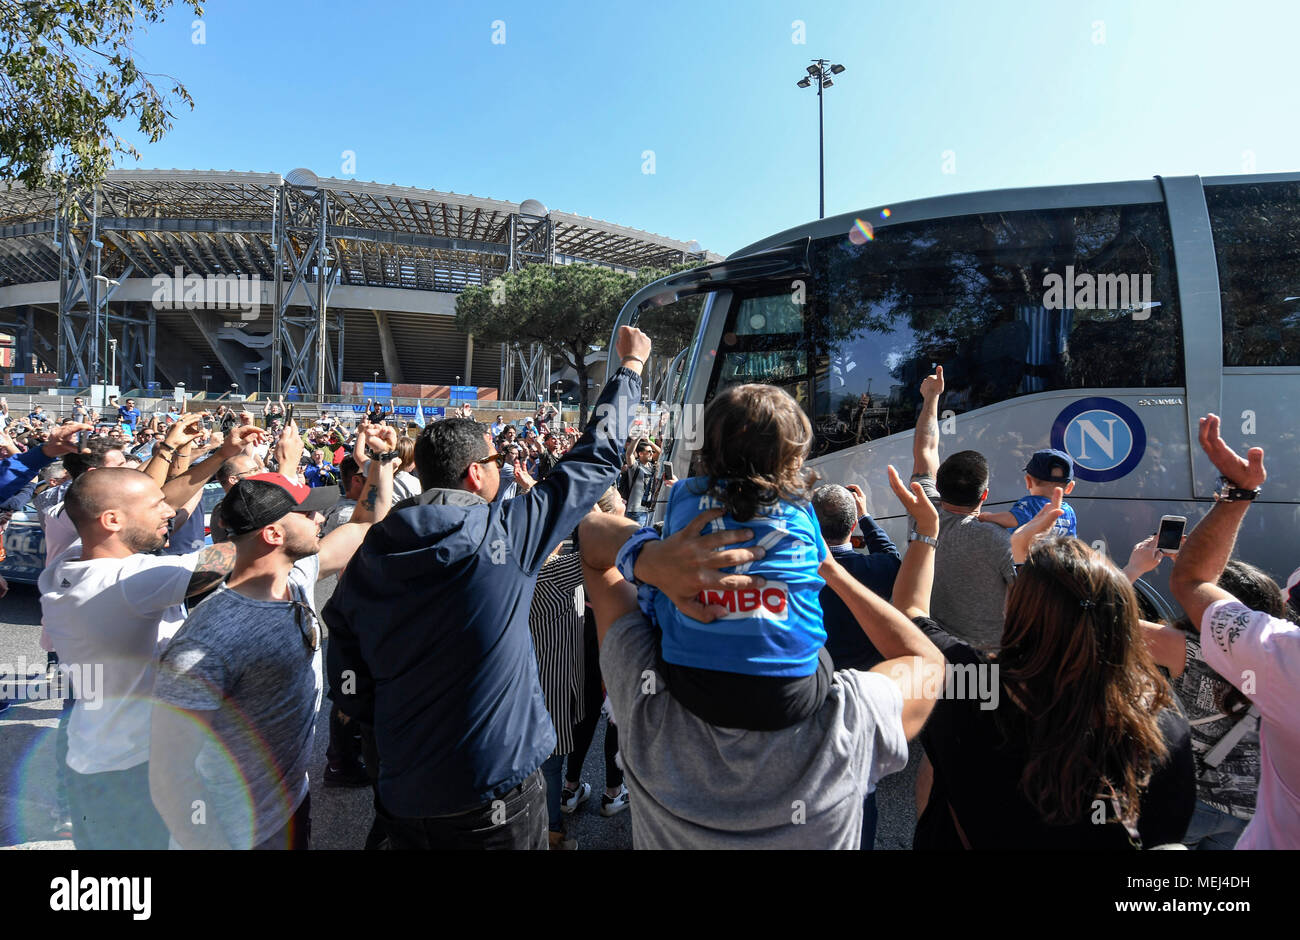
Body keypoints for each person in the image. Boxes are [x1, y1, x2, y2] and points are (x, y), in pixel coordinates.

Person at [323, 326, 652, 850]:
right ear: (476, 474)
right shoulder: (506, 532)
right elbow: (595, 457)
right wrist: (630, 369)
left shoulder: (374, 552)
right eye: (496, 461)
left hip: (403, 791)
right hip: (493, 793)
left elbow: (344, 662)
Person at [576, 500, 941, 848]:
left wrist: (650, 555)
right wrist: (832, 570)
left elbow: (592, 533)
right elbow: (927, 662)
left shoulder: (645, 702)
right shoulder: (849, 720)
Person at [889, 467, 1195, 849]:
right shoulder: (1159, 717)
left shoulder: (972, 685)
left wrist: (926, 532)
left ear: (1014, 612)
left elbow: (908, 614)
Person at [149, 425, 396, 850]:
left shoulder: (296, 574)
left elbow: (364, 523)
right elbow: (169, 769)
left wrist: (380, 462)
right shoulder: (207, 638)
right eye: (305, 513)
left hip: (290, 804)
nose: (318, 517)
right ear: (272, 535)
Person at [38, 424, 265, 849]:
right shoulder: (129, 580)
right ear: (112, 521)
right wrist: (269, 507)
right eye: (156, 507)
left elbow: (155, 501)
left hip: (96, 758)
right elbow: (223, 559)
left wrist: (218, 456)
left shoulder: (71, 562)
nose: (170, 513)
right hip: (132, 772)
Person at [649, 384, 832, 730]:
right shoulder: (800, 504)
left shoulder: (683, 496)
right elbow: (822, 563)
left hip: (692, 681)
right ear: (791, 453)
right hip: (788, 692)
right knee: (819, 643)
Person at [1169, 413, 1300, 850]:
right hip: (1242, 810)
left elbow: (1189, 583)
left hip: (1196, 804)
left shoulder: (1282, 655)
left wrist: (1238, 493)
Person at [909, 366, 1015, 651]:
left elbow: (926, 450)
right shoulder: (999, 540)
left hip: (933, 650)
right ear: (985, 496)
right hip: (986, 660)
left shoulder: (923, 512)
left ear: (938, 487)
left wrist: (931, 398)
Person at [528, 544, 588, 849]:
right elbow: (600, 549)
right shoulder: (556, 572)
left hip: (536, 682)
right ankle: (550, 831)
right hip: (553, 686)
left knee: (542, 762)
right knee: (550, 764)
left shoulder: (524, 567)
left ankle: (543, 824)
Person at [979, 448, 1079, 536]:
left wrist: (987, 516)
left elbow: (1011, 519)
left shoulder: (1030, 504)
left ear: (1028, 482)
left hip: (1029, 556)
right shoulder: (1068, 511)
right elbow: (1071, 540)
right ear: (1069, 487)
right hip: (1056, 557)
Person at [618, 437, 659, 526]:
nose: (651, 453)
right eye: (649, 451)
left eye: (652, 451)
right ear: (640, 453)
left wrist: (650, 443)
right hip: (635, 511)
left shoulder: (652, 467)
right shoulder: (635, 466)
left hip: (648, 510)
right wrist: (637, 438)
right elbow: (629, 454)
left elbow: (660, 454)